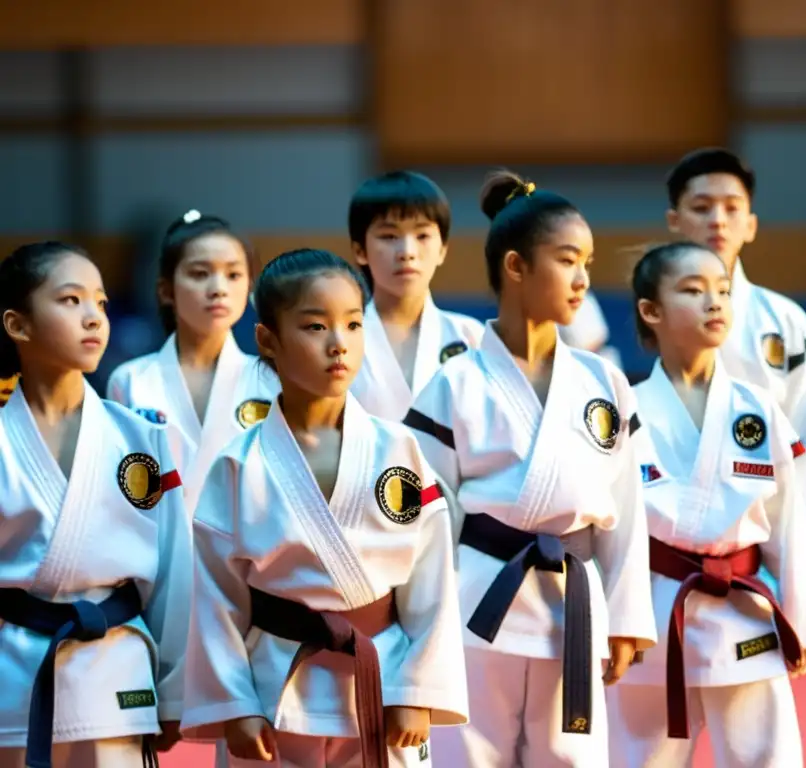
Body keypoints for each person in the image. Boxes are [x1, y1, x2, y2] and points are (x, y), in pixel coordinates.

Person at [404, 170, 657, 768]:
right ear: (516, 267)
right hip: (475, 602)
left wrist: (627, 619)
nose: (583, 279)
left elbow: (627, 514)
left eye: (587, 262)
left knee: (569, 757)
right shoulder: (455, 385)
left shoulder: (605, 383)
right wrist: (419, 633)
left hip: (571, 603)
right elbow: (424, 522)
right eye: (567, 260)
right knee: (470, 756)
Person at [180, 249, 468, 768]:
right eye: (315, 327)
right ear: (268, 339)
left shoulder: (398, 450)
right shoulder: (238, 464)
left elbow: (432, 583)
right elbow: (216, 599)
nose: (339, 345)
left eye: (354, 324)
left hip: (383, 677)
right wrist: (236, 704)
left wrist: (419, 689)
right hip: (275, 688)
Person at [605, 241, 806, 767]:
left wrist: (802, 622)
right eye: (693, 289)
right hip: (654, 609)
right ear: (651, 311)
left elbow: (788, 523)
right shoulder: (624, 408)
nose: (715, 302)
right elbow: (611, 531)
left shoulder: (758, 408)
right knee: (641, 756)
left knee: (765, 756)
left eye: (723, 290)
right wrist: (615, 622)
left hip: (743, 611)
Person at [0, 242, 190, 768]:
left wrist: (174, 691)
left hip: (118, 670)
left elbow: (174, 572)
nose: (93, 318)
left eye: (101, 304)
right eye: (70, 300)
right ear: (18, 325)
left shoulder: (141, 437)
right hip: (13, 672)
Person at [664, 148, 806, 559]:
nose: (718, 219)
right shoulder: (651, 311)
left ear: (751, 225)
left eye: (731, 208)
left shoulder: (785, 323)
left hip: (763, 540)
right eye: (701, 208)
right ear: (674, 221)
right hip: (665, 535)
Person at [107, 210, 280, 514]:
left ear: (249, 286)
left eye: (234, 274)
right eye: (200, 273)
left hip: (247, 554)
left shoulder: (272, 379)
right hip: (157, 552)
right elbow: (122, 494)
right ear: (166, 290)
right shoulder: (129, 380)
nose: (218, 288)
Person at [348, 171, 484, 422]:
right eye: (389, 236)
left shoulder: (471, 336)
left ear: (442, 249)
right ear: (360, 251)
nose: (407, 252)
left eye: (422, 236)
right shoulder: (342, 340)